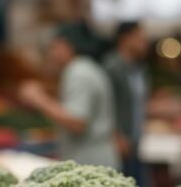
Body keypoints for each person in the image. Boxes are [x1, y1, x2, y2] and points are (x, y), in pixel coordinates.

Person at [19, 23, 118, 168]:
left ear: (68, 46)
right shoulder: (86, 67)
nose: (52, 54)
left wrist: (38, 98)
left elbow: (77, 122)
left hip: (90, 162)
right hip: (95, 158)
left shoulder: (79, 72)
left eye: (55, 47)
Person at [103, 21, 149, 185]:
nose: (145, 42)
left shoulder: (138, 68)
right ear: (125, 39)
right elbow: (107, 103)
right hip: (120, 142)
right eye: (140, 38)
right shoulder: (112, 67)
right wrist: (116, 134)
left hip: (135, 140)